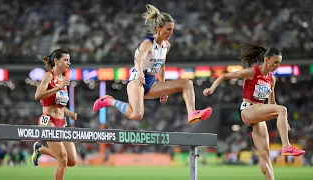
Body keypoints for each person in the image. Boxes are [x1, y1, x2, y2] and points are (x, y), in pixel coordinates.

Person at [93, 4, 212, 123]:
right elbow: (138, 59)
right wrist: (140, 73)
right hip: (137, 81)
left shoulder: (166, 45)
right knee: (136, 115)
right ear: (158, 28)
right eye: (168, 29)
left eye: (172, 29)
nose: (171, 33)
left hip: (151, 83)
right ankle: (110, 101)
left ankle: (192, 113)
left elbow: (162, 66)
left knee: (187, 83)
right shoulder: (148, 43)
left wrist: (163, 86)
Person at [203, 44, 305, 180]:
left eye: (279, 63)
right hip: (247, 109)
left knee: (265, 154)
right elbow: (225, 76)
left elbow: (272, 104)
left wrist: (282, 120)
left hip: (258, 115)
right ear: (267, 59)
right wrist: (211, 88)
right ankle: (286, 146)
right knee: (283, 109)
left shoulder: (271, 79)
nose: (277, 66)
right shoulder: (253, 72)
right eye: (275, 62)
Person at [32, 49, 78, 180]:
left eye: (69, 60)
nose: (69, 63)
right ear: (56, 61)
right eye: (66, 60)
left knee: (71, 161)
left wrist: (69, 113)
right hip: (48, 120)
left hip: (61, 122)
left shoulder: (64, 79)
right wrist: (57, 87)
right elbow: (37, 95)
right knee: (62, 159)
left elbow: (60, 104)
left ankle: (40, 149)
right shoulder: (49, 76)